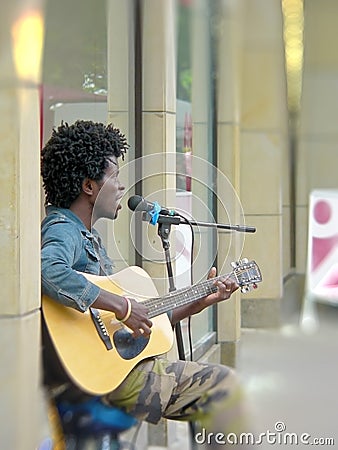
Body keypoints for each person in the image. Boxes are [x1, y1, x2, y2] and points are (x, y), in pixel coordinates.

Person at [41, 120, 250, 448]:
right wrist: (122, 306)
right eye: (115, 176)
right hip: (104, 380)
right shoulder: (62, 229)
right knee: (222, 386)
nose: (122, 187)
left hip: (114, 369)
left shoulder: (89, 239)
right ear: (89, 186)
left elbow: (141, 322)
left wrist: (203, 298)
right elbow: (47, 269)